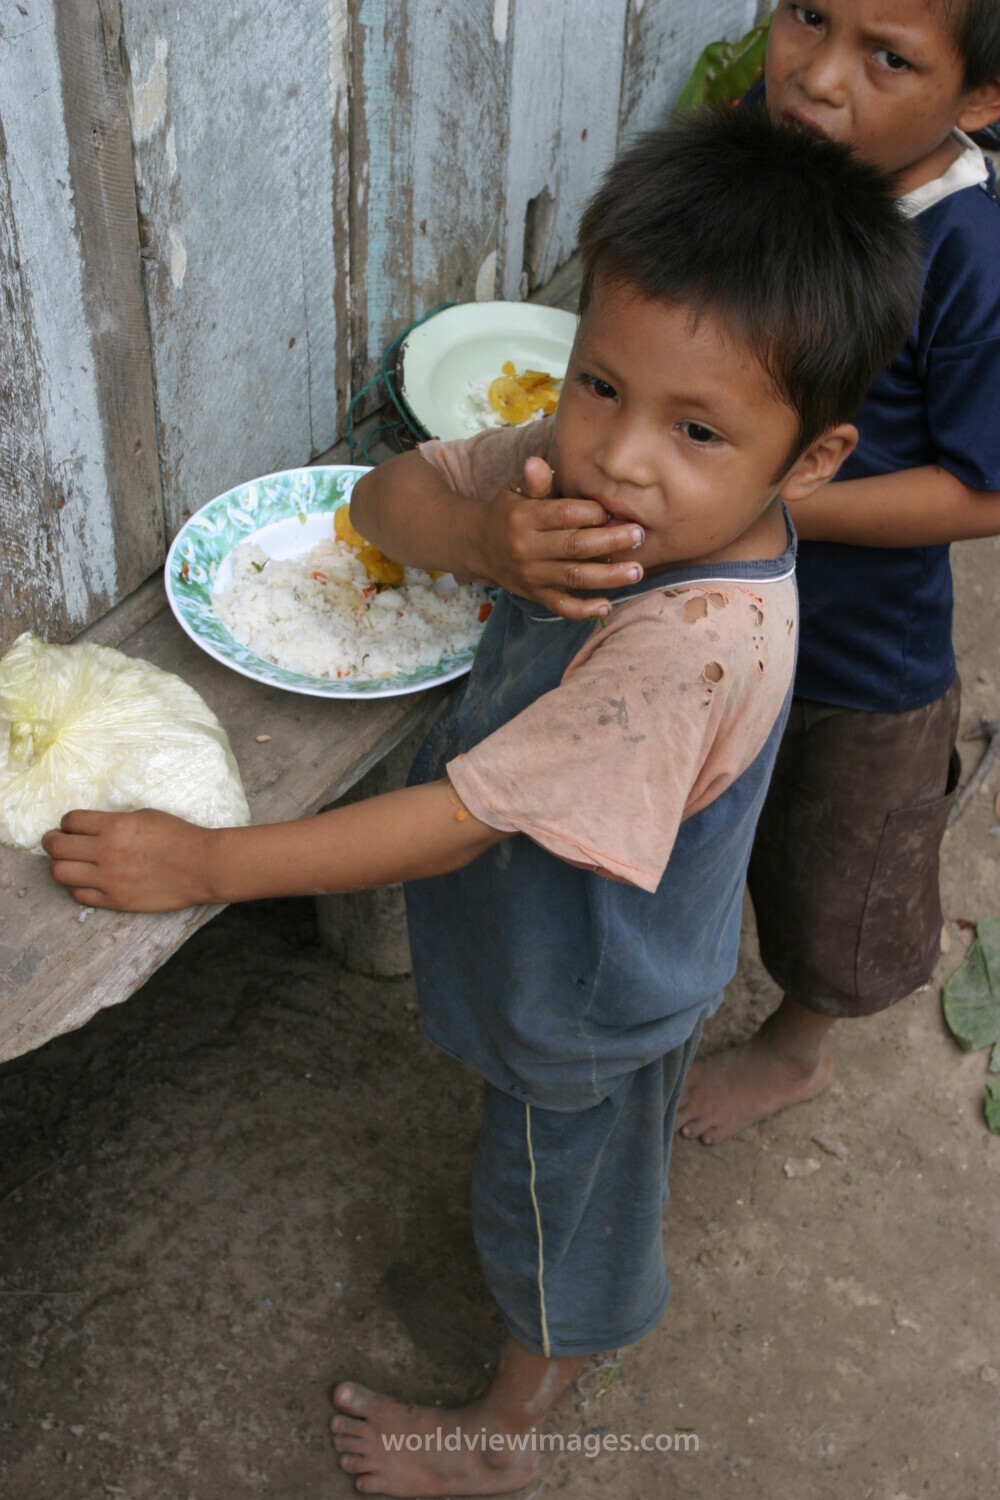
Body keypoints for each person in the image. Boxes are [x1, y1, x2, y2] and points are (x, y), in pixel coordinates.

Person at [42, 109, 920, 1497]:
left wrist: (209, 863)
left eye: (697, 429)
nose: (620, 457)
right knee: (549, 1155)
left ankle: (509, 1428)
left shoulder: (697, 644)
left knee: (556, 1206)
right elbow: (388, 507)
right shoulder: (569, 477)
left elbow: (460, 814)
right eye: (598, 387)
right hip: (537, 936)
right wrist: (486, 529)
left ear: (809, 461)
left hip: (590, 992)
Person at [674, 0, 1000, 1144]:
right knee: (706, 821)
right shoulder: (770, 152)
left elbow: (983, 488)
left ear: (978, 101)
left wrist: (783, 505)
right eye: (808, 16)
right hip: (708, 609)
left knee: (837, 871)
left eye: (887, 58)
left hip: (856, 657)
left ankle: (794, 1048)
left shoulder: (961, 252)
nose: (816, 76)